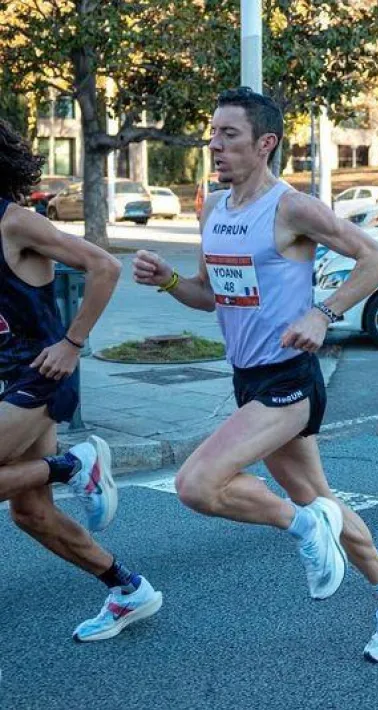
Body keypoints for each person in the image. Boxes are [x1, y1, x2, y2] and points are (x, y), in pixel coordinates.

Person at [132, 88, 378, 663]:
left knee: (198, 484)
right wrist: (168, 281)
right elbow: (209, 295)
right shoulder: (215, 208)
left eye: (229, 134)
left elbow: (375, 257)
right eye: (212, 132)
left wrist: (323, 313)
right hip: (247, 377)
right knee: (318, 496)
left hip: (289, 378)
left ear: (264, 143)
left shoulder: (291, 208)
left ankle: (303, 527)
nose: (214, 144)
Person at [0, 118, 163, 641]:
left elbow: (103, 266)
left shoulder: (15, 222)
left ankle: (75, 463)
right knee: (30, 513)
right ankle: (127, 589)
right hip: (10, 379)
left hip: (39, 372)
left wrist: (72, 344)